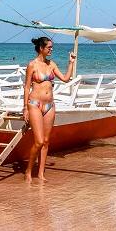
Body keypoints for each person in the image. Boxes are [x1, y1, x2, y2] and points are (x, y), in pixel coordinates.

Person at [23, 37, 76, 183]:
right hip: (34, 104)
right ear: (41, 48)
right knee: (38, 141)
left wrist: (71, 63)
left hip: (50, 106)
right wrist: (25, 108)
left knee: (46, 141)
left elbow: (65, 79)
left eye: (52, 47)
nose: (51, 49)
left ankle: (40, 174)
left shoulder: (52, 64)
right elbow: (27, 87)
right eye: (49, 47)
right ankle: (28, 171)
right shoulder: (32, 65)